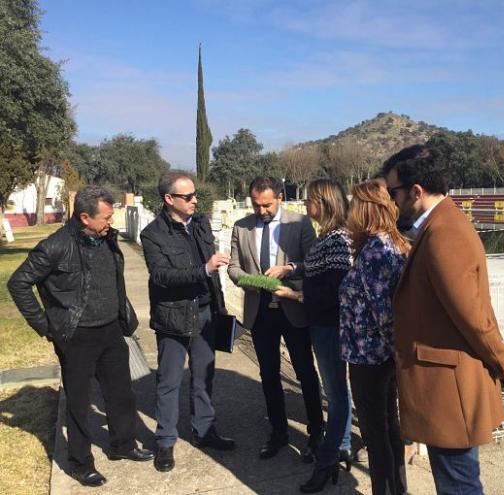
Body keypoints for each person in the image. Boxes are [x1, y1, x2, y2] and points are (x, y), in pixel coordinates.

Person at [383, 144, 504, 495]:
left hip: (449, 388)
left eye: (393, 191)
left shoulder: (444, 233)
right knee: (457, 481)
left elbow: (471, 314)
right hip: (444, 382)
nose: (391, 200)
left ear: (415, 190)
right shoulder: (440, 226)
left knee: (459, 485)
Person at [7, 186, 153, 487]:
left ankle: (123, 445)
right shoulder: (55, 246)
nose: (110, 222)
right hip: (76, 336)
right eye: (106, 217)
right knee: (79, 402)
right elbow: (18, 282)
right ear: (85, 217)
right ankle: (79, 462)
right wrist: (45, 325)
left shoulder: (107, 238)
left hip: (111, 329)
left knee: (121, 394)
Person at [141, 170, 235, 473]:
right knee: (168, 382)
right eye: (188, 196)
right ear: (169, 199)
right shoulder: (152, 234)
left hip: (207, 312)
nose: (195, 200)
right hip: (173, 317)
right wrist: (204, 269)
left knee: (203, 377)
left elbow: (209, 266)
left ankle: (205, 431)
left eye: (196, 195)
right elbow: (161, 276)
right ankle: (165, 441)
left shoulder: (201, 223)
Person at [228, 176, 324, 461]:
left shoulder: (300, 224)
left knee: (305, 372)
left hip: (293, 310)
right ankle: (278, 432)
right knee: (268, 374)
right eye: (256, 205)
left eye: (267, 205)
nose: (262, 211)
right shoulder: (241, 227)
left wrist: (289, 269)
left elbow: (315, 263)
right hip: (260, 313)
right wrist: (249, 281)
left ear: (280, 197)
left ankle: (316, 433)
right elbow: (233, 266)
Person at [274, 179, 354, 492]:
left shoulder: (336, 239)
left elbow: (332, 291)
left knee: (334, 397)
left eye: (310, 200)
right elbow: (320, 271)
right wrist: (293, 269)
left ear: (324, 203)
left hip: (329, 326)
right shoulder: (332, 237)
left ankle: (327, 460)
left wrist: (294, 296)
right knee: (337, 394)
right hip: (326, 325)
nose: (306, 205)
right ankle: (341, 447)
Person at [338, 180, 410, 495]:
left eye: (354, 205)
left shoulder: (376, 251)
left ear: (365, 209)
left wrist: (397, 354)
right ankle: (397, 490)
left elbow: (385, 314)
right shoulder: (391, 243)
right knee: (389, 429)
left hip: (371, 357)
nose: (350, 212)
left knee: (376, 434)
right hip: (381, 355)